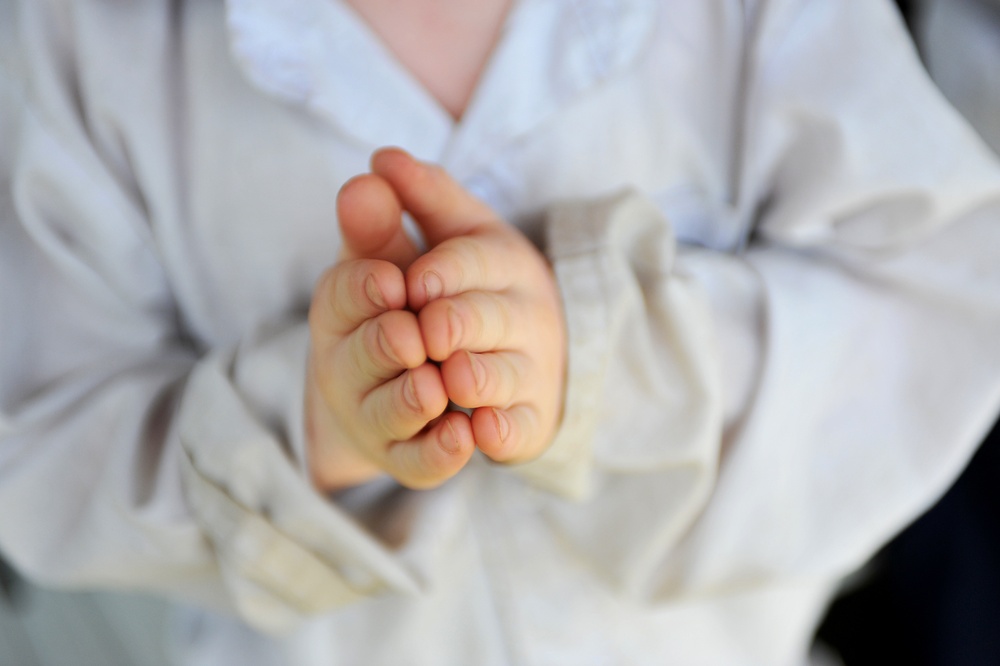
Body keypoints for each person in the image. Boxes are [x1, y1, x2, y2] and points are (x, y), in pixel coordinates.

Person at [2, 0, 1000, 664]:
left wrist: (599, 354)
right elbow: (45, 441)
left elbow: (932, 300)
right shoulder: (92, 44)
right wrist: (313, 427)